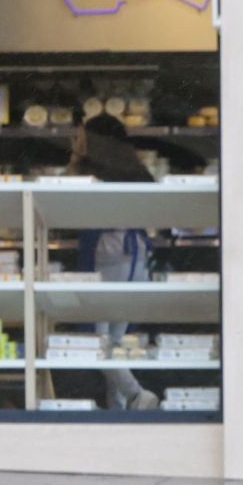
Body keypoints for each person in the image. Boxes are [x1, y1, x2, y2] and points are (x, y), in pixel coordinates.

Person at [66, 113, 159, 411]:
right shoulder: (135, 168)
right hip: (137, 256)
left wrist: (74, 159)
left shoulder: (88, 171)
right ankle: (120, 411)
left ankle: (135, 395)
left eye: (79, 136)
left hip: (108, 254)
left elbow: (59, 196)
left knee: (99, 338)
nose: (74, 141)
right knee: (115, 340)